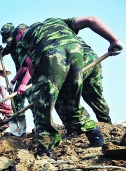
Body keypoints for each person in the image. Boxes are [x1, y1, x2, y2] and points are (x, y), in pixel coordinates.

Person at [8, 16, 123, 156]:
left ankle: (45, 150)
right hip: (77, 53)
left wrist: (38, 88)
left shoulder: (22, 40)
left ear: (19, 33)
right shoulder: (55, 21)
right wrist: (114, 41)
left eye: (14, 40)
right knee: (70, 103)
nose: (16, 43)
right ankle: (96, 137)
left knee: (42, 106)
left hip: (51, 55)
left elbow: (31, 66)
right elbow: (91, 20)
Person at [0, 23, 33, 122]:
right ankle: (20, 124)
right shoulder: (11, 45)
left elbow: (25, 67)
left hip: (30, 75)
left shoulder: (21, 44)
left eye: (10, 40)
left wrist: (13, 81)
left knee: (33, 100)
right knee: (17, 100)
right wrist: (0, 52)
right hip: (20, 76)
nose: (8, 43)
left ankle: (41, 126)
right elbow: (4, 52)